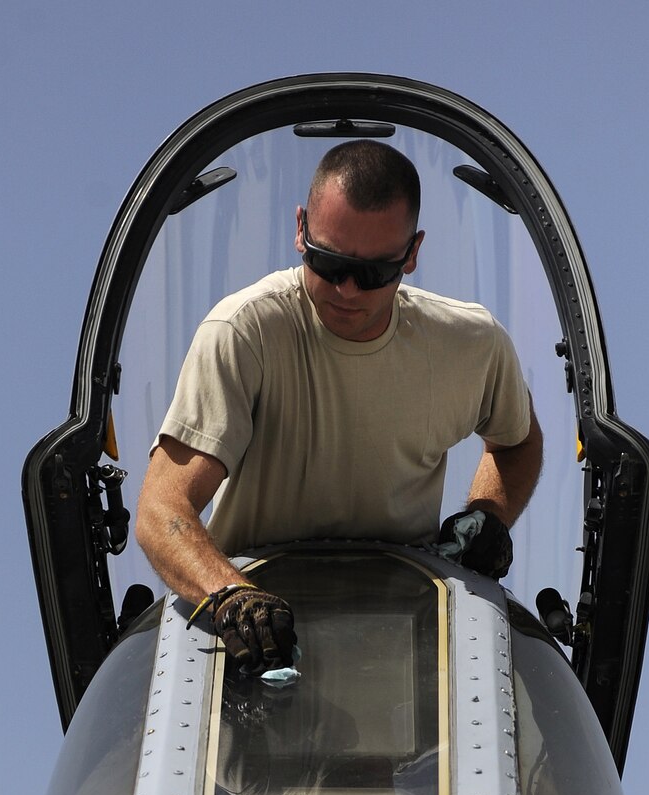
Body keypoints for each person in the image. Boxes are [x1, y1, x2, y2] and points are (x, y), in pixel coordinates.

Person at [135, 140, 543, 671]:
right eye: (330, 264)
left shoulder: (470, 344)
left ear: (413, 253)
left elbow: (518, 441)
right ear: (300, 229)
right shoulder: (244, 332)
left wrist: (488, 516)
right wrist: (233, 598)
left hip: (404, 635)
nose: (348, 290)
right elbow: (161, 510)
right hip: (256, 641)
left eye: (373, 273)